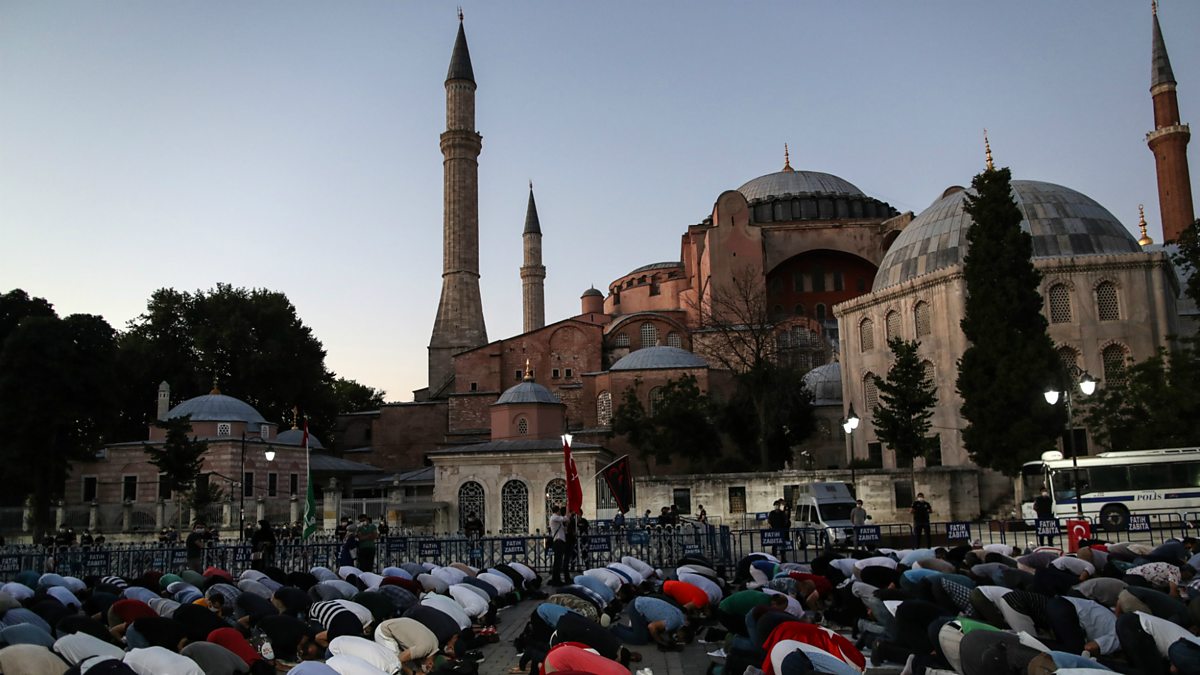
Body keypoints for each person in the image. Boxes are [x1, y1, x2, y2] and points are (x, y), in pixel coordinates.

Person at [548, 506, 569, 586]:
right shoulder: (554, 517)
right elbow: (565, 518)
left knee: (558, 562)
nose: (560, 512)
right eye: (559, 510)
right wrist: (568, 512)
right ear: (557, 511)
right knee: (557, 562)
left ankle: (556, 579)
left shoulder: (558, 520)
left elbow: (564, 530)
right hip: (558, 542)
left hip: (561, 542)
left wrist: (566, 526)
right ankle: (556, 580)